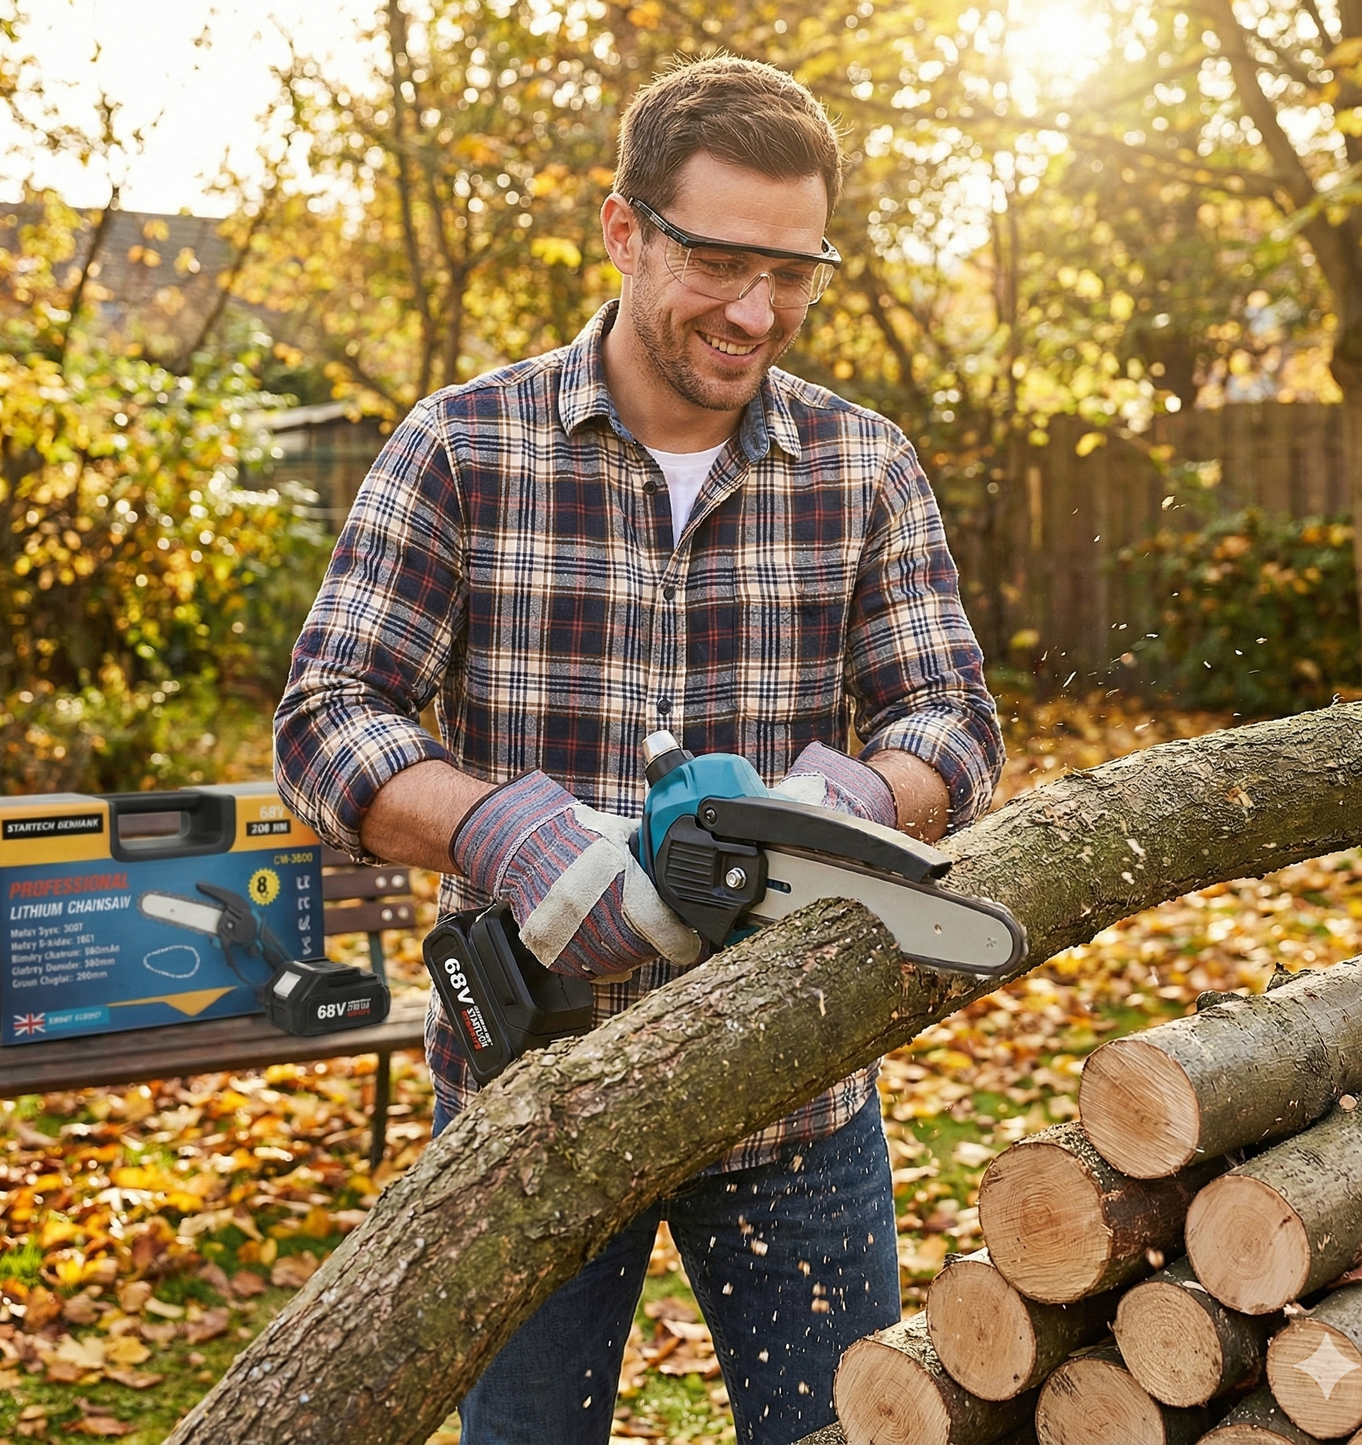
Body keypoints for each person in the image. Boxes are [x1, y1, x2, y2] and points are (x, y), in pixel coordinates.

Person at [275, 54, 1003, 1445]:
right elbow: (328, 718)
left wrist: (832, 805)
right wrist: (516, 840)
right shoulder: (462, 447)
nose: (754, 310)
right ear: (622, 230)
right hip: (532, 1104)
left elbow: (951, 721)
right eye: (720, 260)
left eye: (793, 272)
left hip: (793, 1096)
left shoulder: (864, 466)